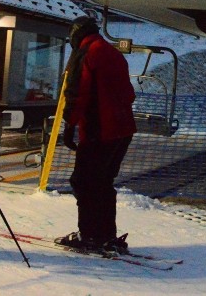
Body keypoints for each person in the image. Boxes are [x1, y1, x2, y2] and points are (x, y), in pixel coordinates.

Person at [55, 16, 136, 254]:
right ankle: (105, 234)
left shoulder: (85, 53)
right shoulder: (114, 53)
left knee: (84, 182)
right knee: (103, 183)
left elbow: (76, 93)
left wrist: (69, 126)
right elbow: (129, 94)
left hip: (100, 131)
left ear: (76, 34)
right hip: (123, 130)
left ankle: (90, 235)